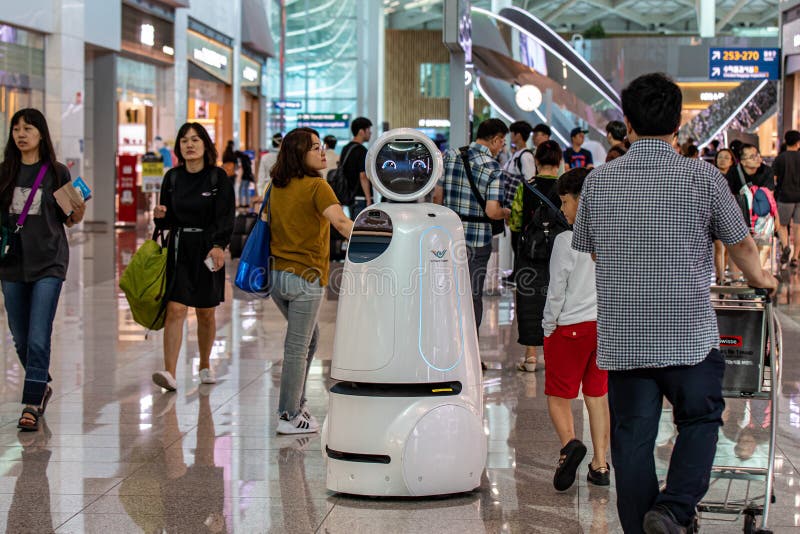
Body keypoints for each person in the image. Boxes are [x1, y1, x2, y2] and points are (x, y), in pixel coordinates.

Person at [572, 72, 777, 533]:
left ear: (625, 121)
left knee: (632, 439)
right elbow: (741, 244)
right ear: (679, 120)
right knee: (702, 420)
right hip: (688, 336)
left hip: (625, 339)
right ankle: (673, 509)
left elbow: (589, 244)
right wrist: (763, 278)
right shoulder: (702, 176)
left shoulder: (600, 181)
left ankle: (645, 526)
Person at [0, 108, 85, 431]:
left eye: (28, 129)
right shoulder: (4, 173)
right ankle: (41, 382)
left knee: (38, 335)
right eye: (16, 129)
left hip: (49, 261)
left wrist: (78, 209)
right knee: (20, 339)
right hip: (11, 264)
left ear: (40, 134)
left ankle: (32, 402)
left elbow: (71, 219)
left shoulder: (57, 173)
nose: (21, 134)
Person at [268, 127, 353, 433]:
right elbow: (342, 224)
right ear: (298, 154)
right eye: (315, 148)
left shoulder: (276, 187)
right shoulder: (318, 187)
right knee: (297, 346)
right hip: (305, 277)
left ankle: (298, 402)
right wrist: (381, 236)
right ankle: (288, 415)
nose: (322, 152)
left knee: (310, 338)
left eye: (321, 146)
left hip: (277, 277)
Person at [152, 122, 235, 392]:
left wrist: (219, 245)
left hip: (208, 248)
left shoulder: (217, 177)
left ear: (205, 145)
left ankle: (204, 363)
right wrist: (160, 217)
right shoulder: (172, 178)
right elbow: (166, 222)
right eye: (185, 140)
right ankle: (170, 372)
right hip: (179, 247)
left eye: (195, 140)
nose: (189, 145)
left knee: (205, 312)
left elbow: (225, 215)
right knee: (175, 309)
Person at [544, 167, 609, 492]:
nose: (563, 208)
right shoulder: (613, 233)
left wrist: (547, 325)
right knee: (597, 396)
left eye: (566, 201)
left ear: (581, 200)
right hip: (603, 329)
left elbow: (557, 290)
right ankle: (600, 464)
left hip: (569, 327)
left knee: (558, 396)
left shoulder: (566, 240)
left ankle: (570, 446)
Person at [433, 118, 510, 345]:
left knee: (449, 293)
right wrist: (507, 212)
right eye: (502, 142)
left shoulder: (450, 156)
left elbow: (437, 198)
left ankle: (447, 344)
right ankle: (469, 350)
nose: (502, 147)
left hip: (449, 237)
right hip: (477, 240)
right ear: (494, 140)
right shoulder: (492, 167)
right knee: (473, 295)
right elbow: (492, 211)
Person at [510, 140, 567, 373]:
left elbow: (515, 220)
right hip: (560, 253)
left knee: (529, 300)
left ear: (536, 161)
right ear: (559, 162)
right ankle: (556, 355)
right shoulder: (565, 187)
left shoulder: (526, 187)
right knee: (560, 299)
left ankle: (531, 356)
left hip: (530, 253)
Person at [774, 130, 800, 267]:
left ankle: (785, 247)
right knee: (798, 227)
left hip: (785, 196)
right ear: (798, 143)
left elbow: (774, 179)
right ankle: (795, 257)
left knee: (782, 225)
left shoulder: (780, 158)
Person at [340, 117, 373, 218]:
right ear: (361, 131)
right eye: (368, 130)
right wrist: (368, 199)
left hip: (350, 198)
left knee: (353, 227)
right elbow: (362, 176)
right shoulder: (362, 150)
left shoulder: (345, 149)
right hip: (361, 198)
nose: (370, 133)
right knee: (362, 229)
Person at [714, 148, 736, 283]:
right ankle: (720, 276)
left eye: (726, 157)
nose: (722, 160)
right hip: (715, 215)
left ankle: (721, 272)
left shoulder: (735, 177)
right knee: (719, 246)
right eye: (720, 157)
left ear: (732, 161)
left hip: (731, 215)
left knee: (727, 248)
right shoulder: (712, 175)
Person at [502, 120, 536, 208]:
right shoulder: (517, 153)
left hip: (516, 204)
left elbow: (530, 181)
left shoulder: (526, 156)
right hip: (511, 201)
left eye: (512, 133)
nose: (510, 135)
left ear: (518, 135)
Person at [257, 133, 282, 197]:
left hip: (267, 188)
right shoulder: (285, 157)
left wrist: (260, 194)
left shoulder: (265, 157)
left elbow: (261, 176)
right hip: (282, 188)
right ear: (281, 143)